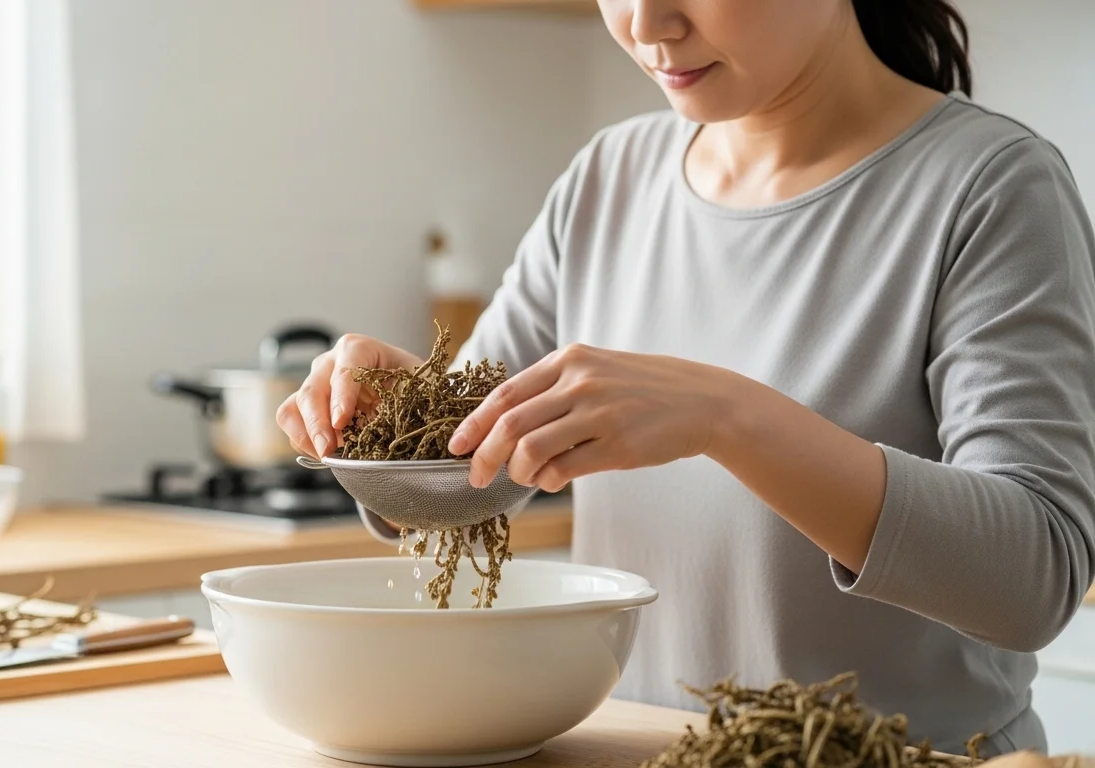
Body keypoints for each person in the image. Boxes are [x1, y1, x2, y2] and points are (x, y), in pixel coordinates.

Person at [277, 0, 1095, 755]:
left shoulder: (992, 186)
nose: (646, 22)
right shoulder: (607, 179)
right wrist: (392, 421)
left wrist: (727, 416)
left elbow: (1035, 576)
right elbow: (470, 478)